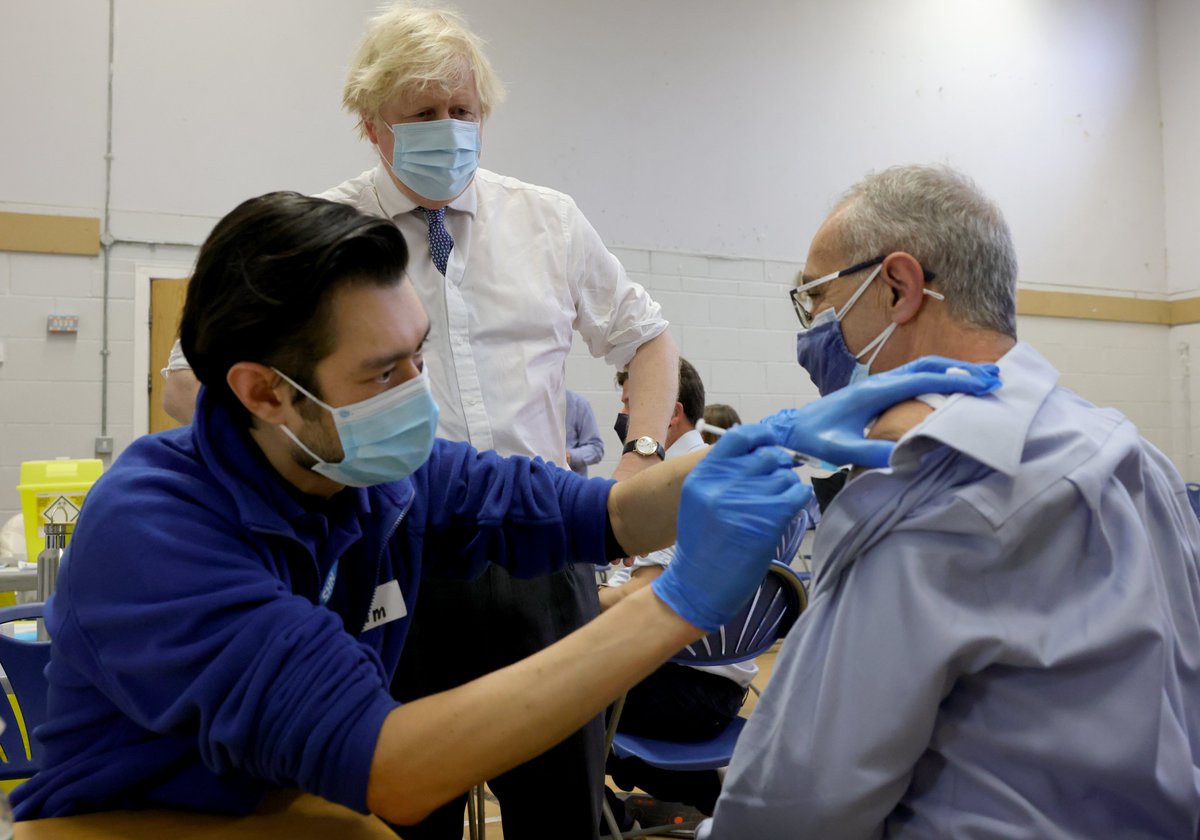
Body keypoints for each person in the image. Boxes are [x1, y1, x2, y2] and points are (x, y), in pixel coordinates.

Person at [13, 192, 996, 828]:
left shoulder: (378, 477)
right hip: (137, 819)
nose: (417, 389)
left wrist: (762, 442)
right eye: (384, 370)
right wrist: (676, 605)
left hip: (280, 797)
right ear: (266, 393)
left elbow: (592, 516)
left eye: (419, 349)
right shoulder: (157, 531)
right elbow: (392, 765)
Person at [161, 6, 680, 835]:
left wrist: (643, 456)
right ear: (372, 127)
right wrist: (311, 466)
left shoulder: (547, 221)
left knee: (565, 811)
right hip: (391, 556)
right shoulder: (321, 238)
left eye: (464, 112)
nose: (450, 130)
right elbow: (190, 386)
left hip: (539, 549)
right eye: (423, 114)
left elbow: (647, 339)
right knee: (401, 810)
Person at [698, 164, 1200, 838]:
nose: (810, 329)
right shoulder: (1138, 460)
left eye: (814, 297)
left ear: (899, 286)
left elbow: (793, 808)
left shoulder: (928, 499)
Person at [600, 359, 747, 828]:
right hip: (718, 685)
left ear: (671, 413)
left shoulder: (680, 481)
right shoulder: (708, 468)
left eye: (630, 405)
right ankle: (706, 791)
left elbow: (635, 601)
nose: (624, 416)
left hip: (688, 689)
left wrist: (563, 597)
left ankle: (608, 820)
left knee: (541, 693)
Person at [566, 389, 605, 477]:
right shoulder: (530, 403)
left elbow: (596, 449)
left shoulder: (578, 404)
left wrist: (569, 456)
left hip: (570, 484)